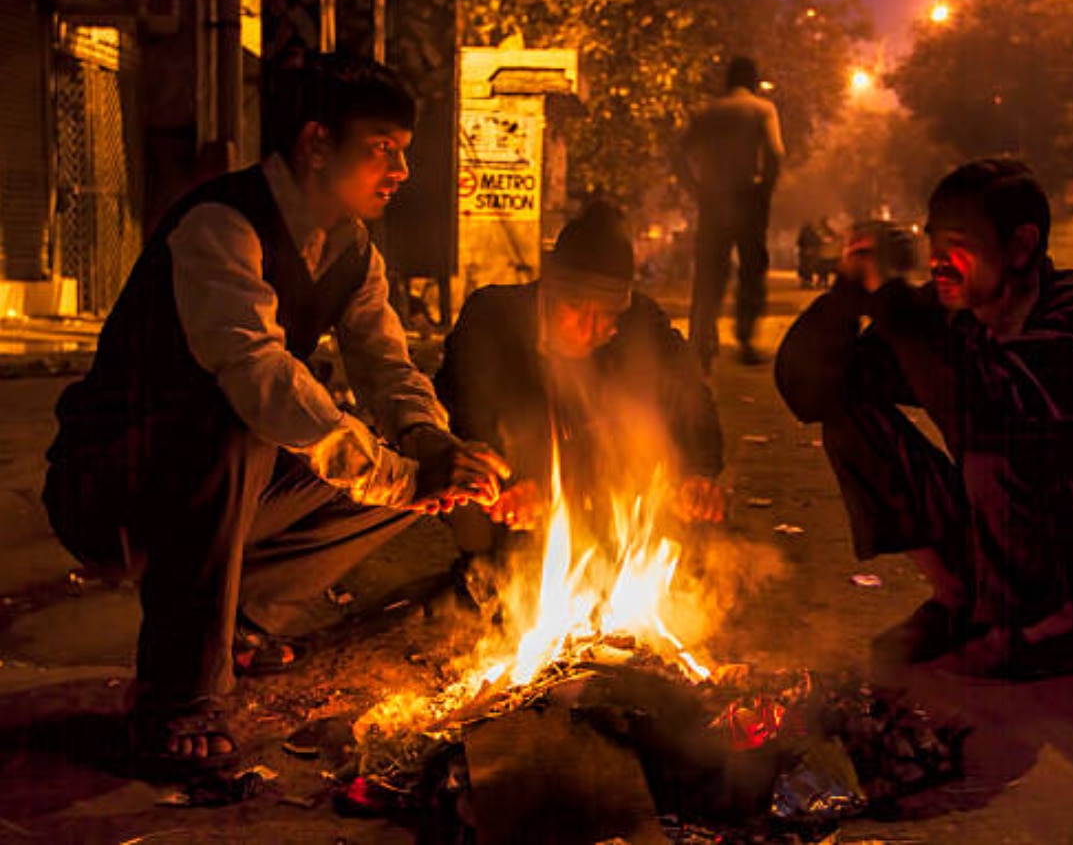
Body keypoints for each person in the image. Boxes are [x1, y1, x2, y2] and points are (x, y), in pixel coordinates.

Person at [42, 55, 509, 773]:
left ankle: (240, 618)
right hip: (115, 490)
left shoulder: (354, 252)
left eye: (404, 151)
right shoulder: (221, 226)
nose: (401, 171)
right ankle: (175, 695)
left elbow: (386, 367)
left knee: (421, 480)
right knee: (245, 420)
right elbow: (257, 377)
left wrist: (430, 447)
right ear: (317, 143)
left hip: (228, 494)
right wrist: (395, 472)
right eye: (382, 148)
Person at [774, 159, 1073, 681]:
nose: (939, 262)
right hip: (996, 533)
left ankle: (1046, 629)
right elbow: (813, 390)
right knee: (848, 414)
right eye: (934, 243)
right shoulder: (948, 314)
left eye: (959, 244)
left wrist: (894, 306)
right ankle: (961, 601)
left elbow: (987, 407)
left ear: (1021, 247)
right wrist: (851, 292)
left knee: (995, 431)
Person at [435, 201, 725, 580]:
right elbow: (465, 404)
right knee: (473, 506)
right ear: (549, 291)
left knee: (676, 502)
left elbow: (690, 395)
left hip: (599, 477)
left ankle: (611, 568)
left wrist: (698, 471)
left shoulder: (643, 323)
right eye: (576, 309)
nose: (591, 327)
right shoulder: (491, 317)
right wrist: (510, 481)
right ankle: (485, 572)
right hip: (516, 476)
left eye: (606, 314)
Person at [677, 56, 785, 371]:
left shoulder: (706, 112)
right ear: (752, 80)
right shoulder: (762, 110)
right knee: (751, 269)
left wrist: (695, 188)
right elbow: (775, 154)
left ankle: (701, 340)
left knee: (710, 271)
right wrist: (766, 188)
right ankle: (745, 337)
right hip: (748, 198)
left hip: (712, 199)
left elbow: (678, 154)